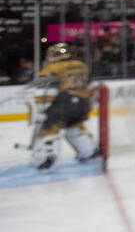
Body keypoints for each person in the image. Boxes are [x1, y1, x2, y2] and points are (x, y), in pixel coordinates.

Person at [28, 42, 100, 170]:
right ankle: (88, 150)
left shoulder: (52, 69)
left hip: (61, 104)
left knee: (51, 129)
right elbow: (91, 86)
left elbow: (46, 92)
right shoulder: (81, 66)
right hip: (82, 103)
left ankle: (46, 156)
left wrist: (41, 110)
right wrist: (90, 103)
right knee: (75, 128)